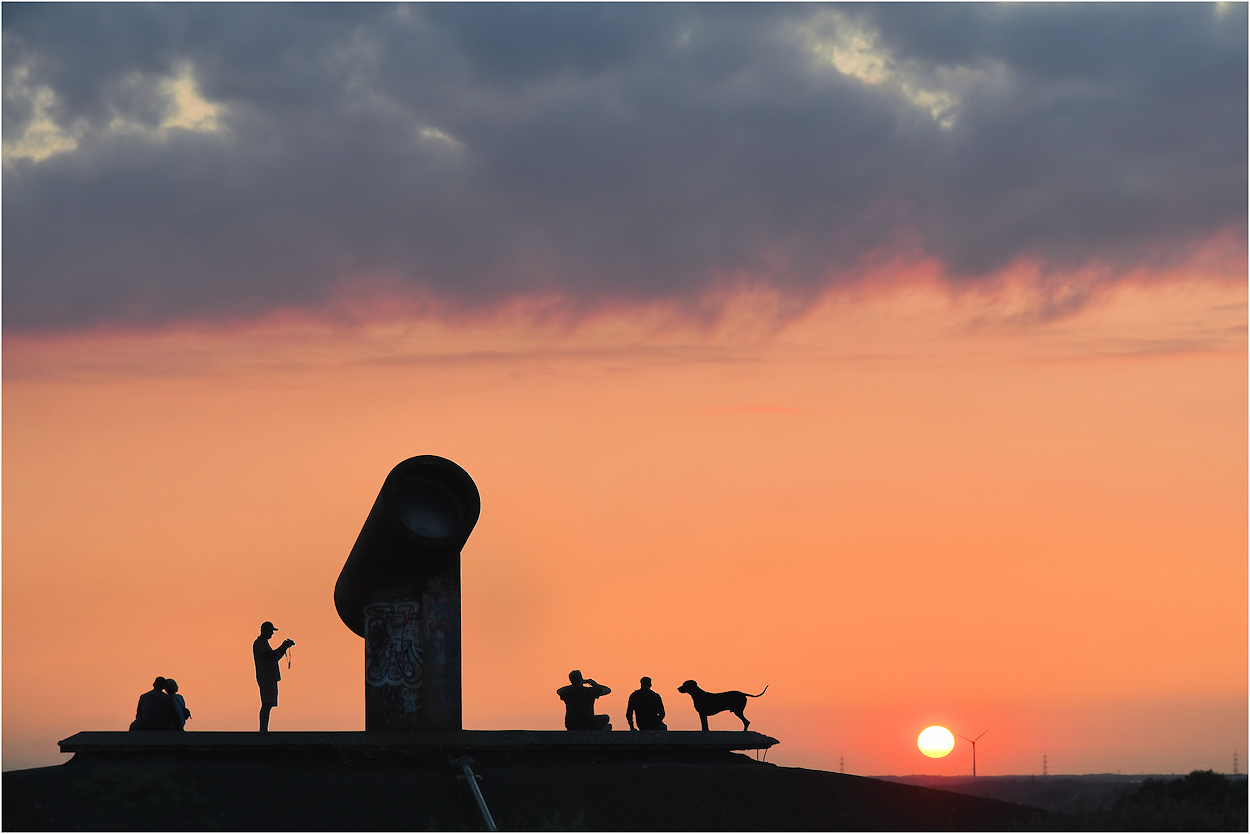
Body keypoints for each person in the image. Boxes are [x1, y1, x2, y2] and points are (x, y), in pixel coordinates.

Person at [253, 621, 294, 732]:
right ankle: (263, 730)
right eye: (271, 631)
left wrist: (284, 647)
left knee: (269, 703)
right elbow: (270, 656)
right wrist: (283, 646)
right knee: (266, 703)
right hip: (266, 677)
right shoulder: (260, 643)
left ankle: (264, 729)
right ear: (265, 630)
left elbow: (274, 658)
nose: (272, 633)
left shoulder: (263, 643)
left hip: (269, 677)